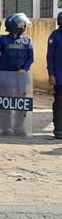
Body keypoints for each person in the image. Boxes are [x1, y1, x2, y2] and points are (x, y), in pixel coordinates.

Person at [0, 13, 33, 135]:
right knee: (7, 103)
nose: (23, 26)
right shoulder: (2, 40)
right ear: (13, 26)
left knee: (20, 103)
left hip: (21, 77)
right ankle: (7, 128)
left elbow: (30, 58)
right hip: (6, 77)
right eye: (21, 24)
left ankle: (19, 127)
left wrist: (25, 69)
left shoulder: (27, 40)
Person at [46, 11, 62, 139]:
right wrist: (51, 74)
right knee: (59, 102)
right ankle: (58, 129)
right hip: (59, 76)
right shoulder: (55, 36)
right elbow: (50, 57)